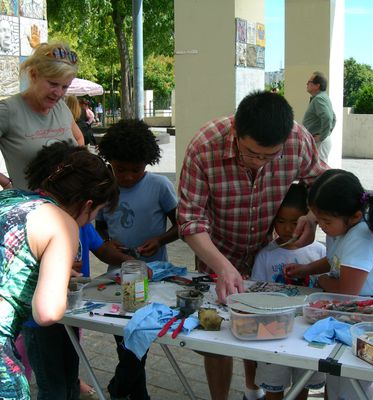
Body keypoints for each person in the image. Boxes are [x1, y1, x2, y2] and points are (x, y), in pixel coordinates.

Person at [177, 90, 328, 400]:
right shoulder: (204, 147)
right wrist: (222, 266)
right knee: (216, 335)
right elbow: (190, 221)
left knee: (261, 327)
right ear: (235, 131)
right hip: (216, 249)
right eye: (251, 153)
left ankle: (252, 390)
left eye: (270, 156)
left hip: (265, 249)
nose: (260, 162)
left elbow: (323, 185)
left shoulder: (299, 141)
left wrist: (312, 217)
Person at [0, 147, 119, 400]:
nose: (89, 221)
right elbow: (47, 312)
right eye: (95, 214)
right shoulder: (64, 223)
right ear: (88, 205)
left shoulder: (13, 197)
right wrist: (59, 287)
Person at [284, 169, 373, 400]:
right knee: (336, 382)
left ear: (355, 216)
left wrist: (320, 280)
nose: (321, 227)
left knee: (350, 389)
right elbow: (335, 259)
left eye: (325, 221)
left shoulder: (361, 237)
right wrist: (306, 269)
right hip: (351, 315)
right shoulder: (342, 226)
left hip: (368, 320)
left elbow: (347, 291)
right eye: (317, 218)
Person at [96, 118, 179, 400]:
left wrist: (160, 240)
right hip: (117, 275)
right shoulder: (105, 188)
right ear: (109, 162)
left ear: (148, 162)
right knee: (124, 337)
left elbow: (181, 226)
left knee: (140, 336)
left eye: (136, 170)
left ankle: (121, 389)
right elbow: (99, 227)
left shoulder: (159, 186)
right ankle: (133, 392)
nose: (128, 176)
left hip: (154, 275)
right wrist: (108, 243)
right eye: (120, 169)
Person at [251, 183, 326, 400]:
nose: (287, 228)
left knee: (302, 387)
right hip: (273, 334)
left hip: (309, 334)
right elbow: (257, 294)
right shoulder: (266, 255)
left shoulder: (320, 252)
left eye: (295, 222)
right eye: (281, 221)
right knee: (273, 388)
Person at [0, 41, 84, 190]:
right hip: (31, 207)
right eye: (52, 84)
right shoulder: (8, 110)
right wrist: (6, 183)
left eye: (65, 87)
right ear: (33, 75)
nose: (58, 93)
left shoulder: (61, 107)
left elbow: (78, 138)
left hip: (68, 205)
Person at [302, 71, 336, 164]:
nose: (307, 84)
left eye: (309, 82)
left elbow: (329, 118)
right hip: (320, 142)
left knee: (318, 171)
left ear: (317, 85)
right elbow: (334, 117)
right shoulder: (323, 97)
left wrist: (322, 136)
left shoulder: (319, 99)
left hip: (319, 143)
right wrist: (327, 134)